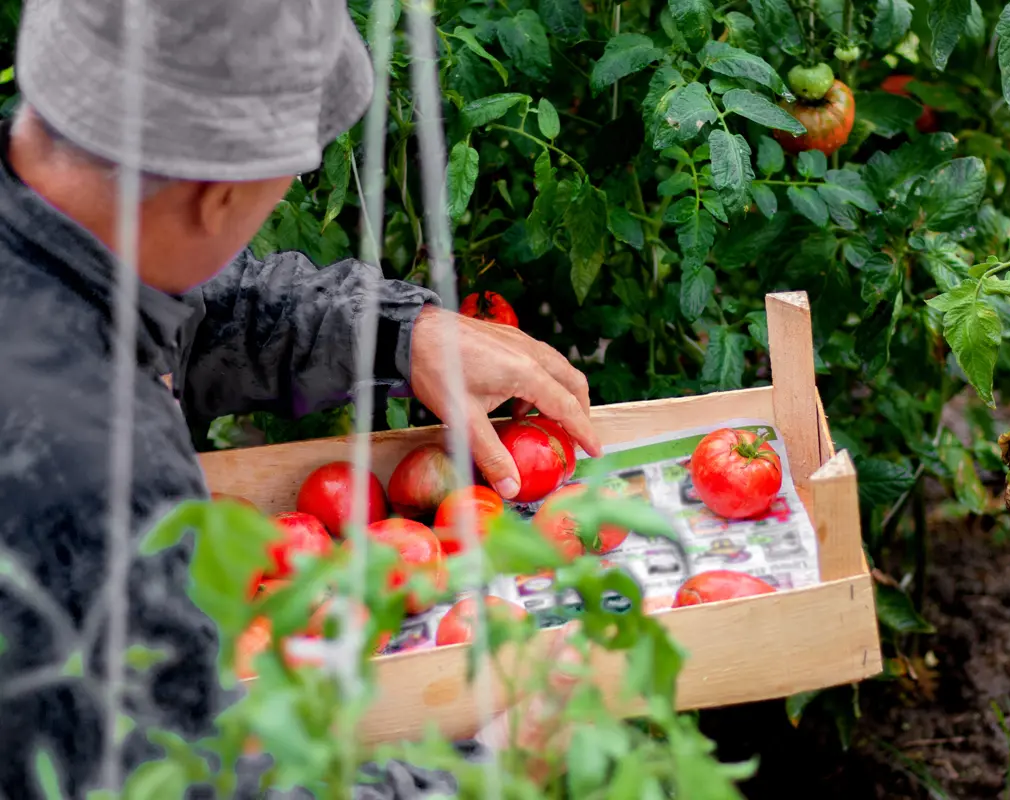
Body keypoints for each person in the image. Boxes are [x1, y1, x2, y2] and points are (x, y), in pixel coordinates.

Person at [0, 0, 599, 797]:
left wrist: (397, 333)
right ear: (219, 195)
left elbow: (179, 301)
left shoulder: (55, 232)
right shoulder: (86, 470)